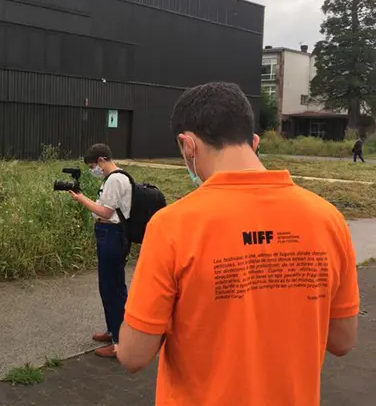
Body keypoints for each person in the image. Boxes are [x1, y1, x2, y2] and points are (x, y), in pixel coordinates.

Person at [116, 82, 360, 405]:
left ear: (187, 144)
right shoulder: (328, 220)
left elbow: (134, 355)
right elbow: (342, 340)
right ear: (254, 142)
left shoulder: (172, 226)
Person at [67, 143, 132, 358]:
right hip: (112, 234)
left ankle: (119, 343)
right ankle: (113, 330)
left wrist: (80, 198)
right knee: (111, 286)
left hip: (112, 235)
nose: (94, 170)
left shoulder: (114, 179)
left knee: (111, 288)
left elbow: (105, 210)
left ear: (102, 160)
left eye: (93, 166)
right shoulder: (119, 177)